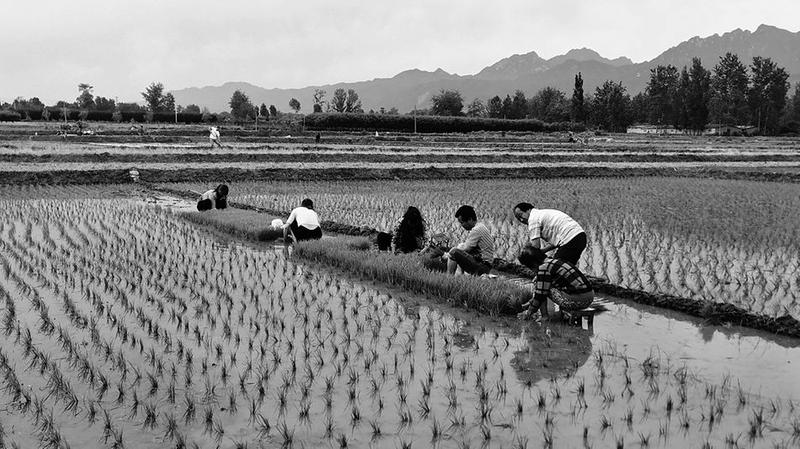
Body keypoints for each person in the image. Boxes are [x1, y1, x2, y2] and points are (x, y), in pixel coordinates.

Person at [517, 246, 594, 319]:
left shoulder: (543, 268)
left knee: (539, 285)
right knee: (543, 284)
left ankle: (544, 317)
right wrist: (531, 302)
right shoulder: (556, 261)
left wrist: (529, 312)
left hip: (577, 301)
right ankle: (559, 313)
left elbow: (540, 294)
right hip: (589, 298)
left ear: (533, 264)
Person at [513, 202, 586, 265]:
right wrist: (543, 251)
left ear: (528, 210)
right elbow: (556, 241)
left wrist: (528, 258)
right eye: (518, 218)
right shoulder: (542, 213)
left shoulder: (533, 219)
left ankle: (542, 276)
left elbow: (535, 246)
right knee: (566, 269)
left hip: (570, 239)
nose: (521, 219)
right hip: (580, 237)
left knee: (556, 269)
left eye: (521, 215)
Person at [443, 205, 494, 275]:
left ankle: (448, 278)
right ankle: (459, 277)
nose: (462, 225)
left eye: (462, 222)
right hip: (485, 265)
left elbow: (465, 249)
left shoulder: (476, 230)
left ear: (470, 219)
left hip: (483, 266)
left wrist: (447, 255)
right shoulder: (480, 226)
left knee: (453, 252)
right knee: (460, 248)